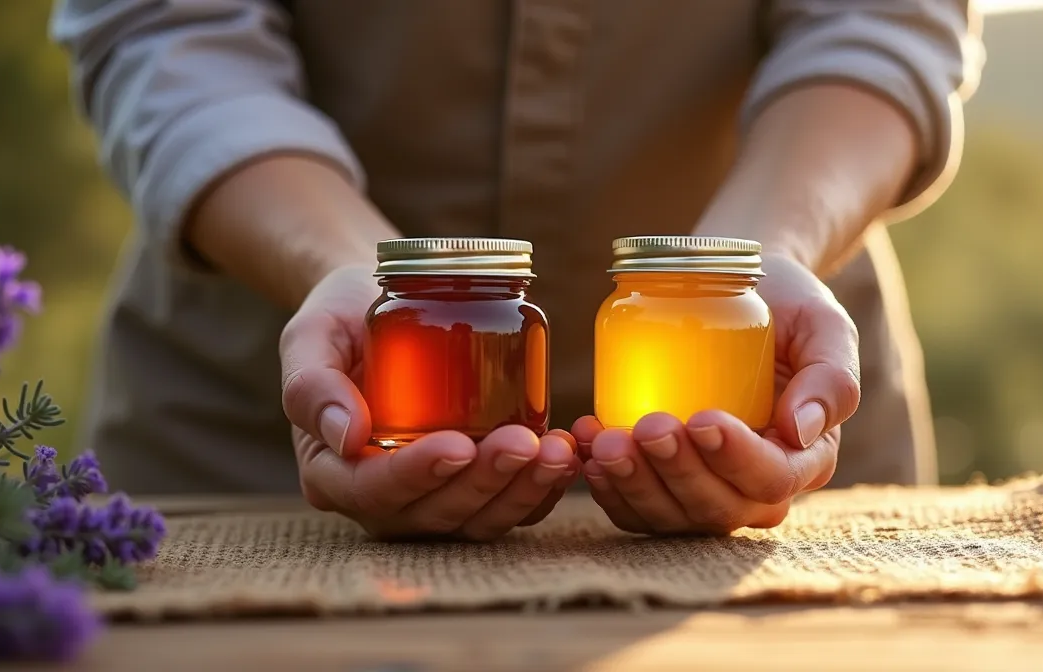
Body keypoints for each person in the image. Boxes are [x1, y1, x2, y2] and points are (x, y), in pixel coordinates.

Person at [50, 1, 982, 540]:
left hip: (769, 401)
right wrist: (359, 278)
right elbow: (167, 31)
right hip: (250, 425)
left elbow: (882, 19)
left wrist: (757, 257)